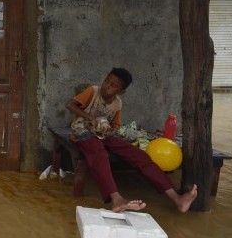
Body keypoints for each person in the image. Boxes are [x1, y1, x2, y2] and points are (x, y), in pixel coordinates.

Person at [65, 67, 198, 213]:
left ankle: (177, 199)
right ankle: (117, 200)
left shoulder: (117, 103)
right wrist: (90, 118)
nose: (106, 86)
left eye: (113, 85)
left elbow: (115, 125)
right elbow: (69, 105)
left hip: (101, 135)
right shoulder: (93, 91)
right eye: (106, 81)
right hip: (82, 132)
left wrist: (110, 131)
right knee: (99, 153)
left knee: (138, 155)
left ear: (120, 91)